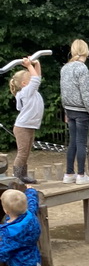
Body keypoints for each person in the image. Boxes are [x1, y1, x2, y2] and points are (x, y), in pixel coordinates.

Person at [60, 39, 89, 184]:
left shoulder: (65, 68)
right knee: (81, 142)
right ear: (86, 51)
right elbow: (87, 93)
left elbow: (64, 91)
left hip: (69, 109)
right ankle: (81, 175)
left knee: (73, 142)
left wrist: (65, 110)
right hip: (81, 110)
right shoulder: (82, 68)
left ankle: (69, 173)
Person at [9, 56, 44, 184]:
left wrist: (36, 63)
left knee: (27, 152)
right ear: (24, 83)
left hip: (29, 126)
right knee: (22, 153)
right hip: (22, 127)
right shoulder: (26, 92)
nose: (34, 79)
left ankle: (22, 176)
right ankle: (16, 177)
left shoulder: (31, 91)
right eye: (30, 78)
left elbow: (37, 78)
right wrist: (29, 66)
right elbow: (36, 80)